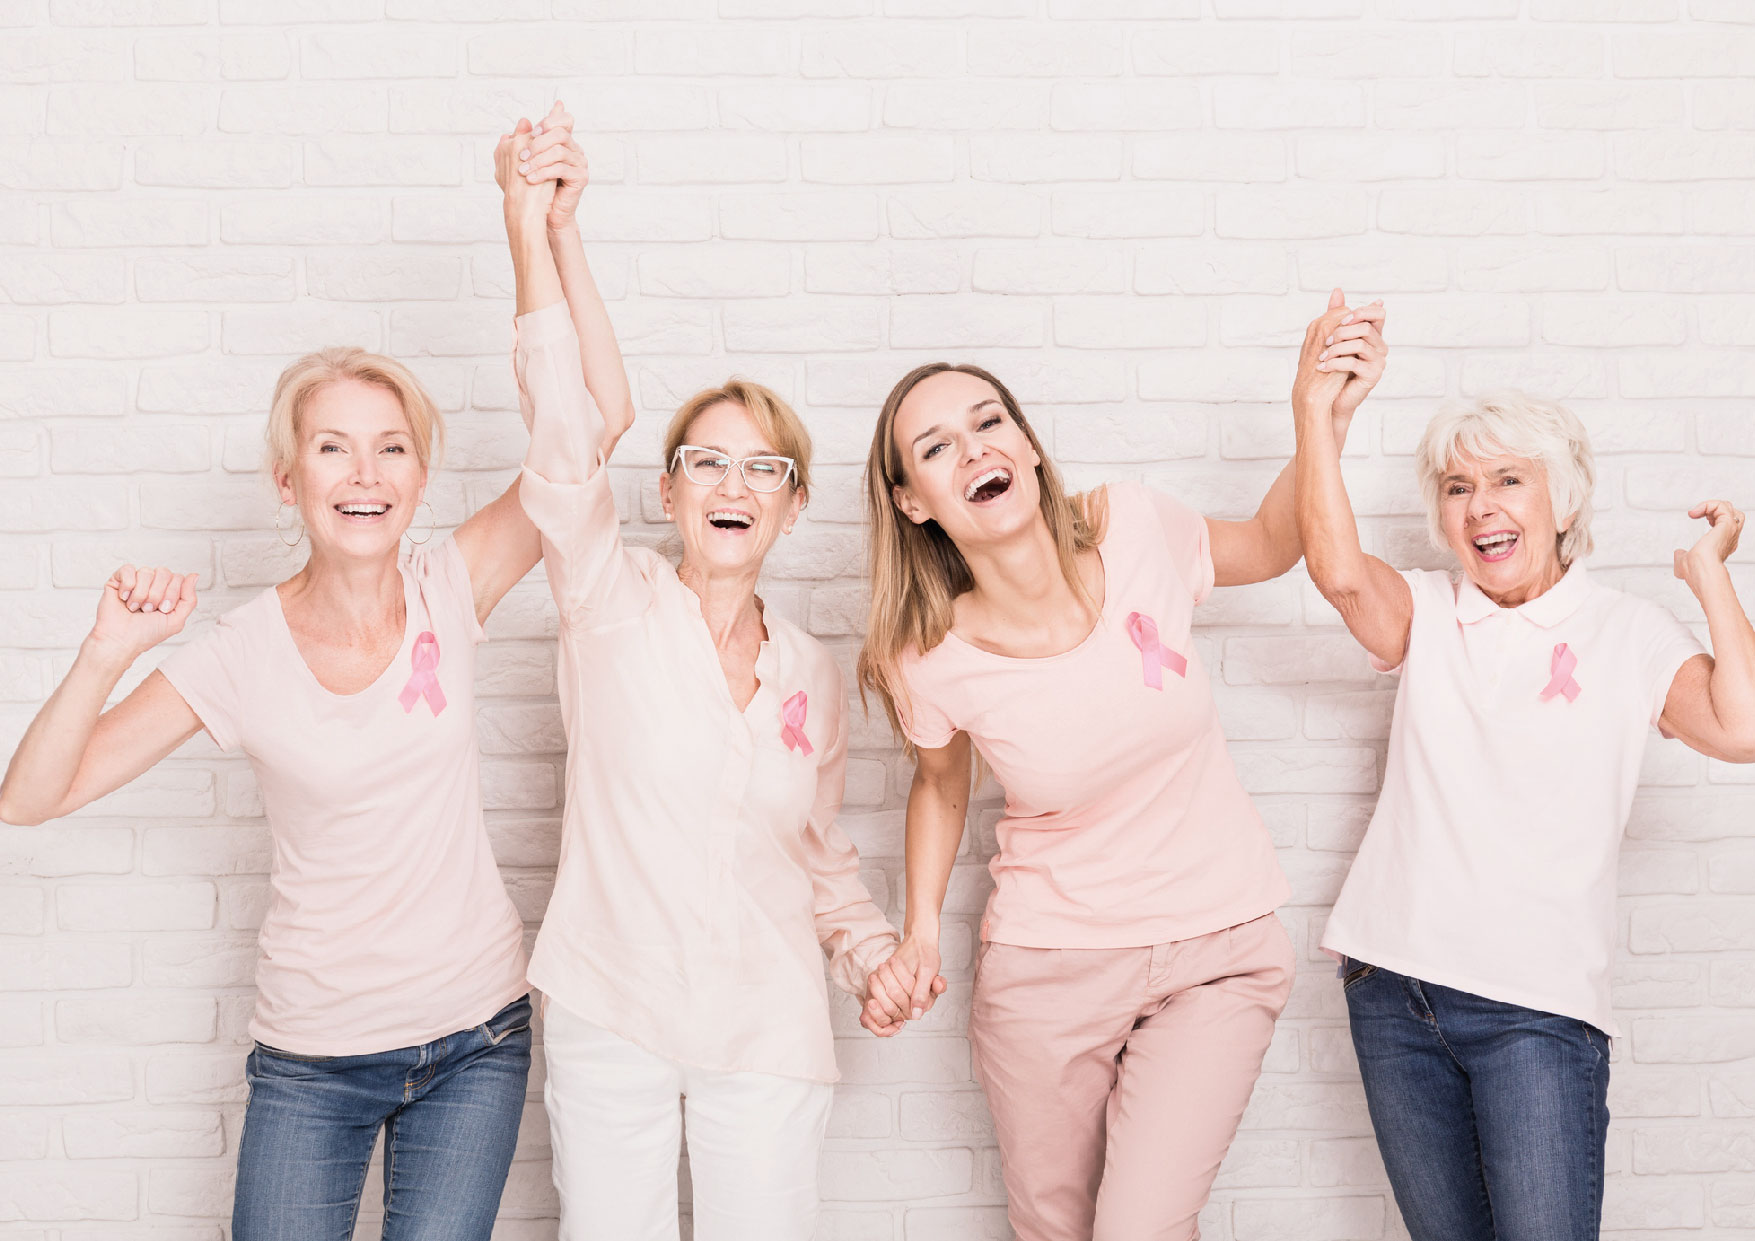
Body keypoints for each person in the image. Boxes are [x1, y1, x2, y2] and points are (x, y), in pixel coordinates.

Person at [0, 154, 557, 1240]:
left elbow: (590, 430)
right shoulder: (240, 651)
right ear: (288, 478)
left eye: (391, 448)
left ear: (419, 476)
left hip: (477, 1038)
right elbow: (28, 797)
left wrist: (530, 230)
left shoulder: (451, 585)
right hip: (312, 1059)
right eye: (333, 447)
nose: (365, 472)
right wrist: (107, 651)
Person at [853, 291, 1387, 1241]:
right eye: (935, 447)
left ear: (1027, 446)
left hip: (1216, 950)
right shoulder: (924, 653)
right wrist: (920, 932)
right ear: (911, 501)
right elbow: (939, 783)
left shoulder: (1133, 527)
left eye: (988, 422)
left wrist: (1318, 413)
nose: (974, 450)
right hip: (1046, 972)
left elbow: (1272, 543)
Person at [496, 107, 931, 1241]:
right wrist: (541, 233)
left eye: (763, 468)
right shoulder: (607, 599)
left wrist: (874, 958)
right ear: (668, 492)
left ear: (792, 504)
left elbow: (817, 858)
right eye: (705, 462)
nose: (733, 483)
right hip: (612, 1005)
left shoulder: (812, 673)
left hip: (767, 1025)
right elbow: (562, 426)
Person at [1293, 301, 1755, 1241]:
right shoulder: (1427, 609)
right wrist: (1315, 411)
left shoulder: (1626, 632)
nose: (1481, 505)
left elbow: (1740, 730)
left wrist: (1710, 577)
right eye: (1458, 486)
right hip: (1394, 990)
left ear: (1563, 500)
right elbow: (1338, 574)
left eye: (1508, 478)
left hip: (1537, 1016)